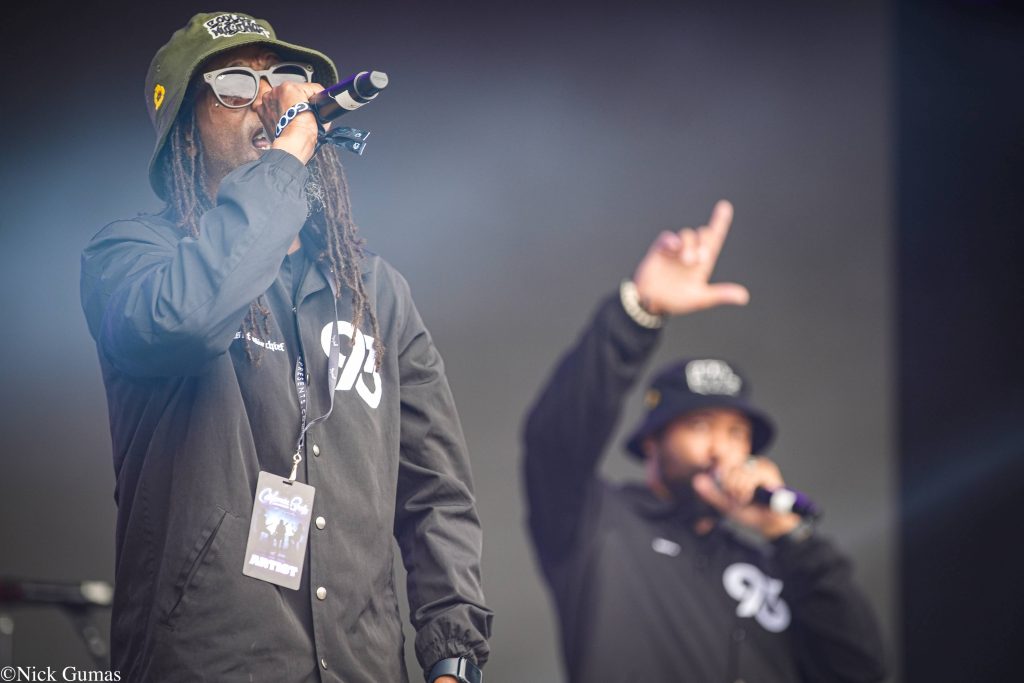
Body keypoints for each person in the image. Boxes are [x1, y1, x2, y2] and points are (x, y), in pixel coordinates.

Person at [80, 12, 490, 683]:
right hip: (212, 664)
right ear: (185, 126)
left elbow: (435, 493)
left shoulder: (375, 292)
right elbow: (186, 321)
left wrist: (454, 659)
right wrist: (285, 156)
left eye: (282, 79)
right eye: (235, 85)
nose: (270, 99)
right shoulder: (130, 258)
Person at [523, 200, 886, 682]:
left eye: (737, 433)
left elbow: (863, 671)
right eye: (699, 427)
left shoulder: (773, 567)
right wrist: (639, 314)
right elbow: (555, 439)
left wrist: (790, 538)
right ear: (651, 442)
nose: (720, 449)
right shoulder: (597, 523)